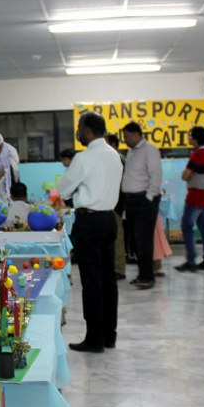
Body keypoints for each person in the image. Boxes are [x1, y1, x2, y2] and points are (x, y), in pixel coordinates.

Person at [58, 111, 123, 353]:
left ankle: (94, 339)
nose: (77, 133)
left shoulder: (84, 158)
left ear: (86, 130)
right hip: (109, 219)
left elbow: (63, 190)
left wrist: (75, 191)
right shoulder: (115, 155)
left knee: (92, 282)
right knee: (108, 280)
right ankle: (109, 336)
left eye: (79, 128)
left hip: (89, 222)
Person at [121, 121, 163, 289]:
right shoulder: (131, 152)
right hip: (131, 200)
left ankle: (148, 276)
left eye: (127, 137)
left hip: (144, 199)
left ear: (136, 134)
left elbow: (156, 175)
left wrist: (149, 198)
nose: (125, 140)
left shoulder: (150, 150)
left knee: (143, 239)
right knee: (134, 240)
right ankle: (142, 274)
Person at [175, 126, 204, 272]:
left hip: (196, 196)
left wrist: (186, 174)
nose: (188, 138)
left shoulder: (197, 154)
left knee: (187, 226)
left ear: (196, 139)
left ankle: (191, 260)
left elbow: (185, 176)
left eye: (190, 136)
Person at [103, 134, 128, 280]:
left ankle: (119, 269)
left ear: (113, 145)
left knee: (118, 238)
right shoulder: (113, 159)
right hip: (111, 203)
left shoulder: (119, 160)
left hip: (117, 204)